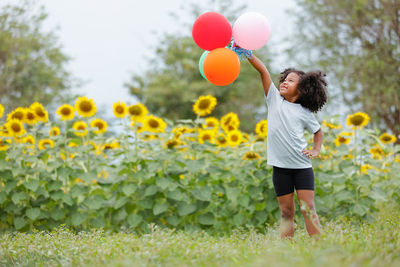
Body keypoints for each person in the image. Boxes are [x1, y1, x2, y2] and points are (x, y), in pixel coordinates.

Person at [237, 46, 327, 238]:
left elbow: (317, 131)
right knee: (287, 212)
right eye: (285, 80)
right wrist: (248, 54)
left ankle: (320, 245)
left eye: (291, 81)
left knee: (308, 208)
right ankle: (287, 251)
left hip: (302, 167)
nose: (285, 83)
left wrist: (316, 149)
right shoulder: (274, 99)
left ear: (302, 90)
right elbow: (263, 70)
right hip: (281, 168)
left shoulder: (305, 112)